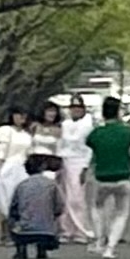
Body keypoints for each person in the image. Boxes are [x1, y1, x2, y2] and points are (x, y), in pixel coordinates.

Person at [85, 95, 130, 258]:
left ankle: (99, 239)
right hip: (123, 176)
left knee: (97, 207)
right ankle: (111, 247)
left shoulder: (96, 133)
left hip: (102, 176)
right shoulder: (127, 132)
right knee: (121, 212)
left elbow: (90, 145)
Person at [8, 151, 63, 259]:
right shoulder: (51, 184)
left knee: (15, 220)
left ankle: (21, 249)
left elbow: (13, 208)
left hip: (24, 230)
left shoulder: (22, 185)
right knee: (46, 221)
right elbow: (59, 206)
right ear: (43, 167)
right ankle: (41, 249)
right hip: (46, 232)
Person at [54, 95, 94, 244]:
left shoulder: (88, 125)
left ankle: (81, 230)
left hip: (80, 162)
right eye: (73, 108)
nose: (75, 111)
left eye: (78, 108)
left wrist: (86, 167)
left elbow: (89, 148)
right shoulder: (65, 124)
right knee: (64, 198)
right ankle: (66, 230)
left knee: (77, 198)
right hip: (65, 161)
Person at [0, 108, 32, 226]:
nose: (21, 117)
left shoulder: (27, 134)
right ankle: (7, 229)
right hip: (8, 168)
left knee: (22, 199)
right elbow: (0, 152)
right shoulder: (5, 131)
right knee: (6, 199)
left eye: (23, 114)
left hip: (23, 169)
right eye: (18, 114)